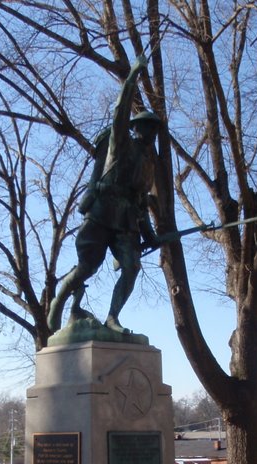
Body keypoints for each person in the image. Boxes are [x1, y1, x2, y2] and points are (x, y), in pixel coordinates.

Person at [48, 56, 159, 334]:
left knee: (132, 268)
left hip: (126, 220)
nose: (151, 132)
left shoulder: (149, 163)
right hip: (102, 212)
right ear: (137, 128)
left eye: (154, 128)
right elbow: (121, 110)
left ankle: (112, 317)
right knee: (88, 267)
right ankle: (59, 301)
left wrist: (150, 234)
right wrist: (133, 76)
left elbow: (142, 201)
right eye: (146, 127)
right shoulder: (120, 142)